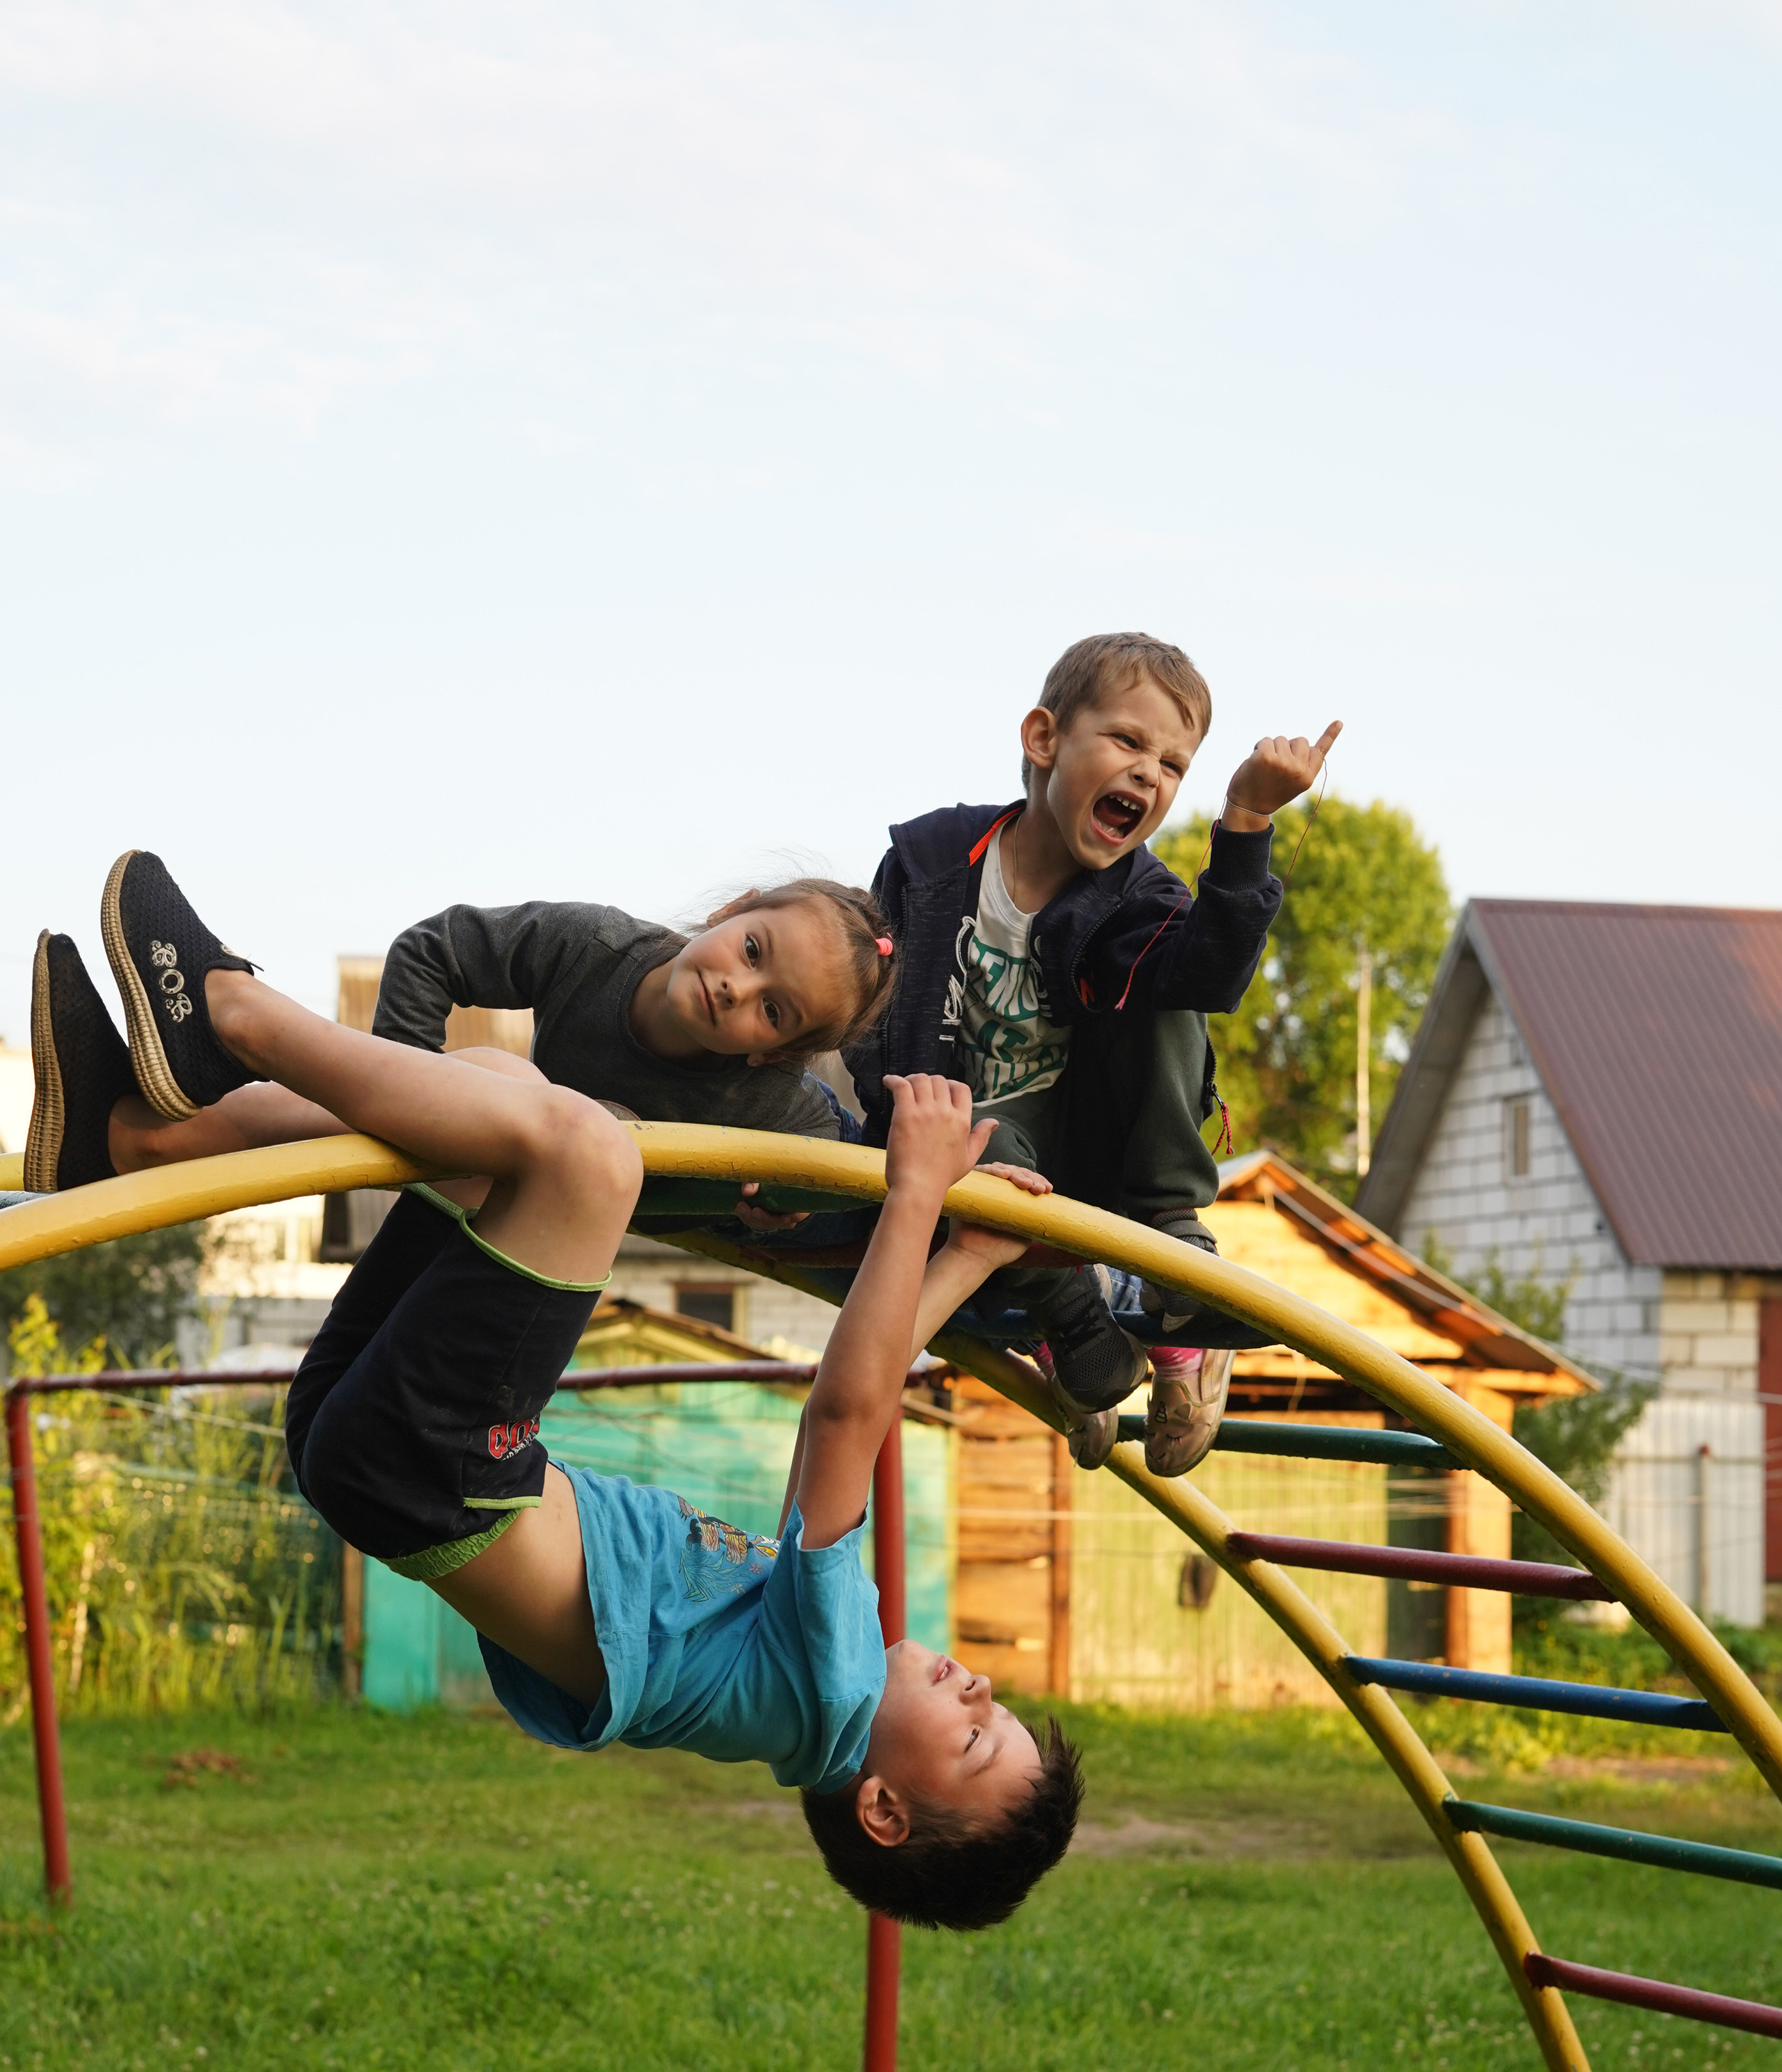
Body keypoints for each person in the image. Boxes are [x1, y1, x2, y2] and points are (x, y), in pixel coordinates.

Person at [42, 850, 1083, 1931]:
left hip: (440, 1476)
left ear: (881, 1808)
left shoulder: (831, 1695)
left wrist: (916, 1195)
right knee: (506, 1101)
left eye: (972, 1739)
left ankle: (230, 1011)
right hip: (390, 1463)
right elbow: (852, 1397)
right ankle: (137, 1139)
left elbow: (847, 1410)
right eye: (995, 1709)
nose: (976, 1688)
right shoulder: (802, 1688)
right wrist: (965, 1263)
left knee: (593, 1154)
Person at [844, 632, 1340, 1476]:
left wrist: (1247, 819)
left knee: (1171, 973)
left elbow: (1211, 976)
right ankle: (1077, 1330)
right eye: (1127, 741)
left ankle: (1175, 1277)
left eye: (1174, 764)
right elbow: (868, 1006)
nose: (1151, 772)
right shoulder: (931, 865)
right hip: (969, 1149)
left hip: (1099, 1152)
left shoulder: (1138, 897)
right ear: (1043, 739)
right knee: (971, 1151)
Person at [24, 873, 897, 1207]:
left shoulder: (781, 1111)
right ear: (729, 911)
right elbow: (432, 952)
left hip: (561, 1201)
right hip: (515, 1149)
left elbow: (868, 1174)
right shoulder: (593, 946)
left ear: (771, 1053)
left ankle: (233, 1020)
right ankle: (129, 1138)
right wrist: (406, 1083)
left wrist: (783, 1194)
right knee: (484, 1082)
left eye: (772, 1012)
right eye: (751, 951)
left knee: (528, 1096)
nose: (737, 988)